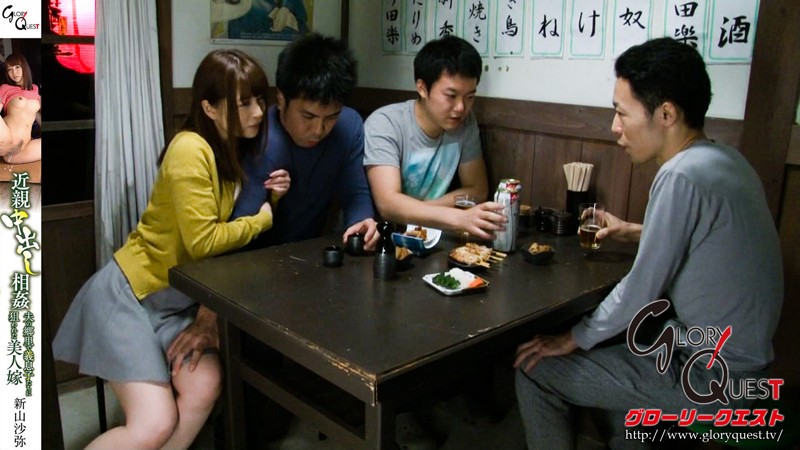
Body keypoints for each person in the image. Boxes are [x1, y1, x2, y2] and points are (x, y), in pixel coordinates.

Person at [514, 37, 783, 449]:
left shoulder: (680, 175)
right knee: (619, 347)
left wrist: (572, 338)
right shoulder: (727, 160)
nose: (614, 127)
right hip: (744, 362)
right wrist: (637, 231)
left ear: (666, 114)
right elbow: (710, 239)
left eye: (622, 113)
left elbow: (641, 290)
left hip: (713, 376)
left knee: (534, 368)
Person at [52, 49, 287, 450]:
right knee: (154, 424)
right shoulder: (189, 148)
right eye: (244, 103)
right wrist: (264, 219)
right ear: (209, 108)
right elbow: (203, 240)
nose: (258, 112)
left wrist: (273, 198)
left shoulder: (227, 150)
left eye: (260, 100)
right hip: (131, 295)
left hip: (175, 303)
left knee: (205, 384)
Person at [232, 32, 378, 250]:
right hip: (256, 255)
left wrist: (362, 221)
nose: (318, 130)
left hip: (310, 251)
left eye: (331, 117)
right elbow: (242, 225)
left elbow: (355, 192)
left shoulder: (348, 126)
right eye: (308, 116)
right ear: (281, 99)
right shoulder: (265, 139)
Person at [363, 35, 505, 240]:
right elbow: (388, 204)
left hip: (431, 236)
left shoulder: (465, 123)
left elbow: (478, 190)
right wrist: (458, 217)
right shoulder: (386, 124)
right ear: (422, 88)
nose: (461, 108)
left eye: (470, 97)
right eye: (451, 96)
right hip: (384, 238)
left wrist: (416, 211)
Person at [0, 53, 40, 163]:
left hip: (22, 149)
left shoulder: (35, 88)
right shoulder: (5, 88)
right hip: (6, 139)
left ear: (24, 67)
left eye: (17, 67)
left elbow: (36, 114)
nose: (14, 73)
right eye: (10, 69)